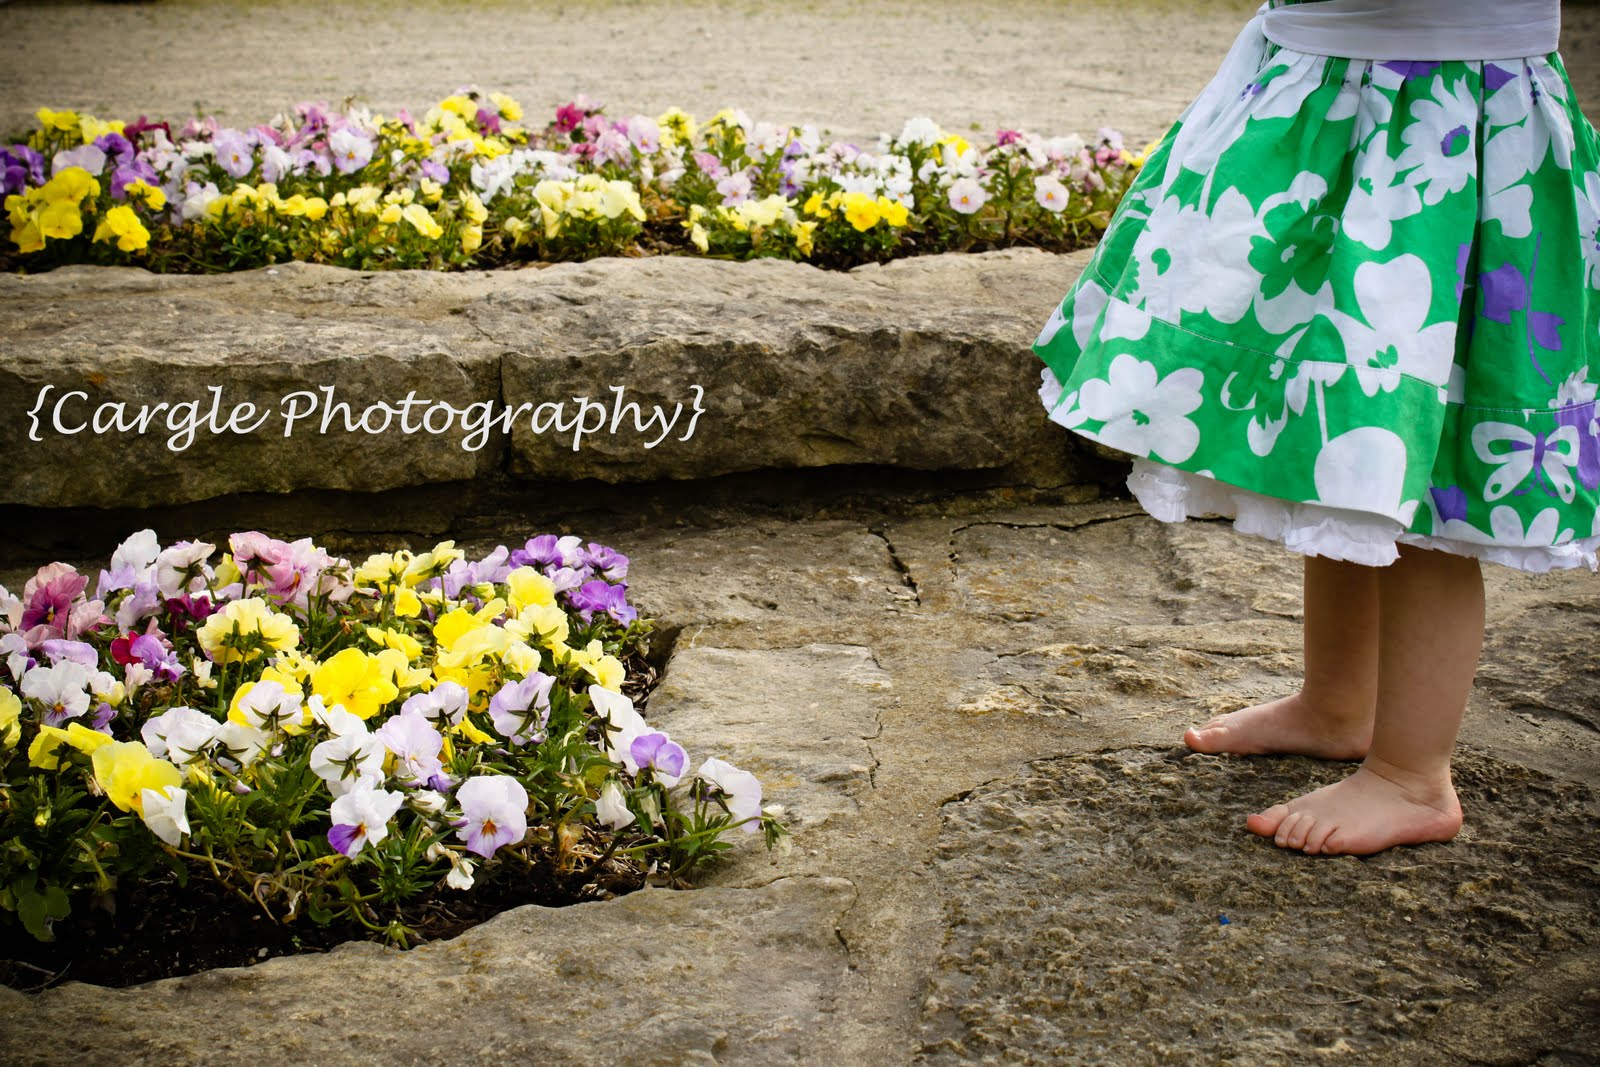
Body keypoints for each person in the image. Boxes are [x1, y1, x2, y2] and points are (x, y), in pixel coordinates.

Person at [1030, 0, 1598, 855]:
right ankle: (1338, 704)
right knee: (1341, 445)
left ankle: (1413, 774)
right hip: (1331, 102)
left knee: (1419, 465)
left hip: (1447, 131)